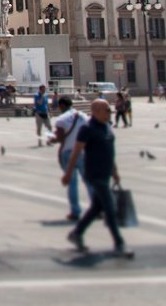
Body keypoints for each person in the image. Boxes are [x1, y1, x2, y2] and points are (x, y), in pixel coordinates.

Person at [62, 99, 133, 258]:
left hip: (106, 173)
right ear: (96, 111)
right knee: (110, 208)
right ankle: (119, 243)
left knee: (96, 208)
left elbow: (110, 152)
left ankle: (77, 233)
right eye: (107, 110)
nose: (110, 112)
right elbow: (76, 151)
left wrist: (115, 171)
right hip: (94, 174)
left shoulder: (107, 127)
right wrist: (68, 173)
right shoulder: (87, 128)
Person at [49, 96, 89, 221]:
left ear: (62, 105)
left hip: (68, 152)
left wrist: (52, 139)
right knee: (89, 182)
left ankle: (75, 211)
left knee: (72, 183)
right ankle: (97, 208)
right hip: (83, 152)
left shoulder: (62, 119)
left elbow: (60, 138)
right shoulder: (83, 116)